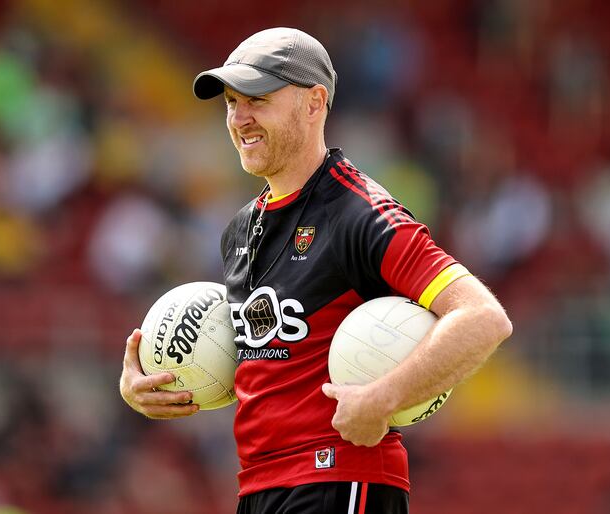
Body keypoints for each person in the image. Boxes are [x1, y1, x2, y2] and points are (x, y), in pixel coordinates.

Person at [120, 27, 512, 514]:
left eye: (257, 99)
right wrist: (154, 383)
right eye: (230, 102)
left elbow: (483, 318)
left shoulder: (360, 214)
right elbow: (268, 366)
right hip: (259, 486)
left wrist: (383, 400)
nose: (239, 118)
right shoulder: (240, 230)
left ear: (314, 102)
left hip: (341, 480)